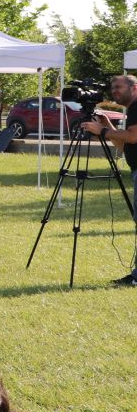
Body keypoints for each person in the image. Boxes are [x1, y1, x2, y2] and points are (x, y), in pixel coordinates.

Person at [79, 75, 137, 285]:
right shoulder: (131, 109)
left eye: (119, 87)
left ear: (134, 88)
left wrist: (102, 131)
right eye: (112, 88)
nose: (114, 91)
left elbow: (133, 137)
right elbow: (125, 146)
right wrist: (109, 128)